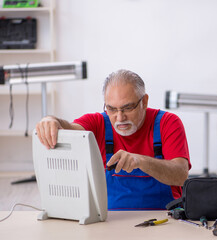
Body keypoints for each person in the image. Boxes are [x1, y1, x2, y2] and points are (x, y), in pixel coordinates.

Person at [36, 69, 191, 210]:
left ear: (144, 102)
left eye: (128, 108)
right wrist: (51, 120)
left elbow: (180, 175)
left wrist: (140, 161)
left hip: (163, 219)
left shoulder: (167, 123)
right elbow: (68, 127)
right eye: (111, 109)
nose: (120, 117)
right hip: (110, 220)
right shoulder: (98, 123)